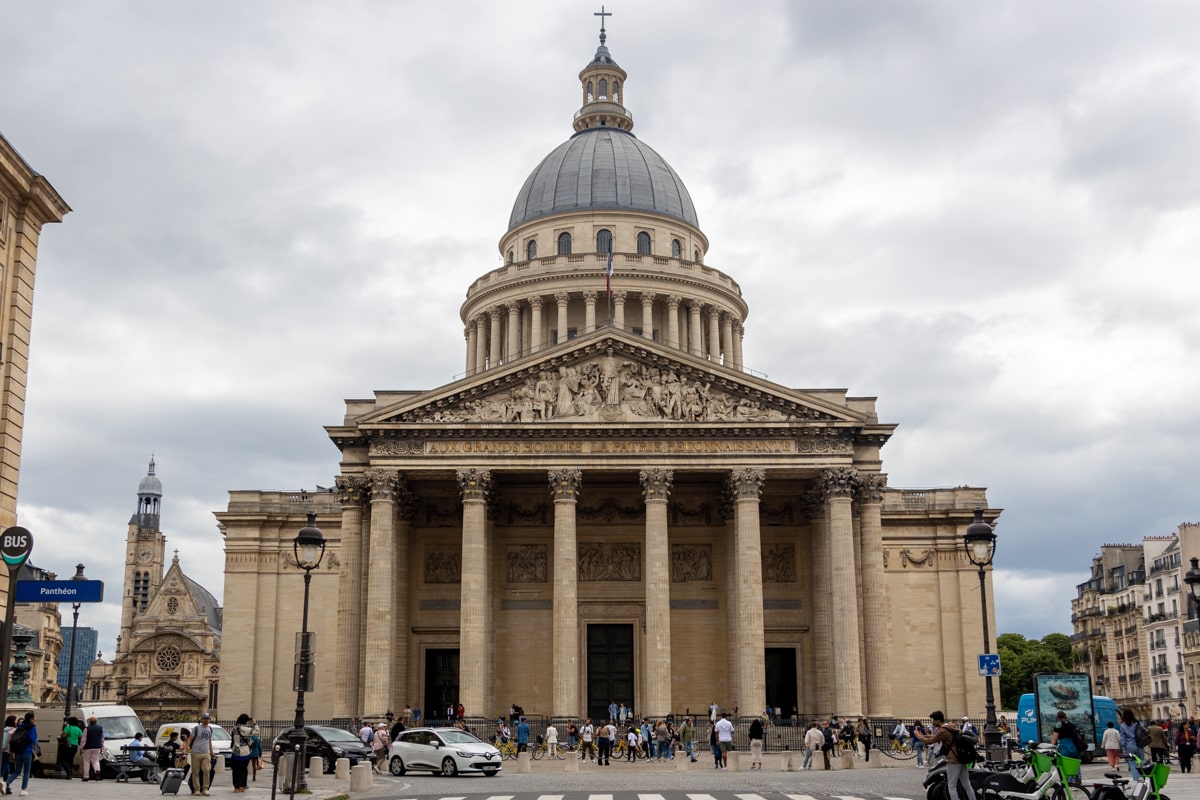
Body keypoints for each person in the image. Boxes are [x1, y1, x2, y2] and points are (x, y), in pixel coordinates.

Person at [916, 711, 975, 800]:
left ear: (937, 720)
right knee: (967, 784)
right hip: (961, 758)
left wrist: (918, 736)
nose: (933, 723)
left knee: (951, 786)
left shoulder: (943, 730)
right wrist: (923, 735)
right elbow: (937, 737)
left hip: (953, 760)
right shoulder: (951, 726)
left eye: (934, 720)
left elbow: (930, 741)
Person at [10, 711, 36, 797]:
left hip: (18, 751)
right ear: (31, 719)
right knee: (26, 771)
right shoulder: (32, 728)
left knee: (17, 771)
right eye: (34, 717)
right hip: (27, 751)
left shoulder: (20, 726)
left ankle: (5, 783)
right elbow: (32, 740)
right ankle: (23, 789)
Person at [190, 712, 214, 796]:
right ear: (201, 719)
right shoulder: (196, 728)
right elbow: (190, 739)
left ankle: (205, 788)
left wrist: (211, 752)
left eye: (207, 719)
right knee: (195, 771)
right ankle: (196, 789)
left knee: (207, 770)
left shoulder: (210, 729)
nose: (206, 720)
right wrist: (185, 749)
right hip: (196, 752)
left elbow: (209, 741)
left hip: (206, 752)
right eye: (204, 719)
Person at [229, 713, 255, 792]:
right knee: (243, 769)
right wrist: (254, 723)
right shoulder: (248, 730)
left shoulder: (235, 728)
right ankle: (241, 786)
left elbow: (233, 739)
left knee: (235, 770)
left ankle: (236, 787)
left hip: (236, 751)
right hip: (245, 752)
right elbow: (256, 731)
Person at [1118, 708, 1144, 775]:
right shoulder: (1138, 723)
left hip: (1130, 747)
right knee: (1140, 762)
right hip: (1139, 746)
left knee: (1132, 763)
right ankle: (1142, 776)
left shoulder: (1122, 725)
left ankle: (1136, 778)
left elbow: (1122, 738)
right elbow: (1144, 731)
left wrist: (1123, 749)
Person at [81, 714, 104, 782]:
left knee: (86, 761)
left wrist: (81, 747)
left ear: (90, 722)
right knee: (96, 761)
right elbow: (102, 738)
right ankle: (97, 771)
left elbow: (83, 739)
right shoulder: (101, 728)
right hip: (97, 747)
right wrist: (101, 746)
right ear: (96, 721)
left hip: (88, 747)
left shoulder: (87, 729)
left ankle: (86, 777)